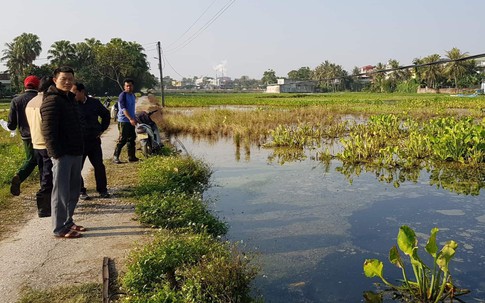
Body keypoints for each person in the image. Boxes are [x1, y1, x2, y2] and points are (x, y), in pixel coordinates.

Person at [40, 66, 85, 238]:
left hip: (75, 151)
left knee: (73, 190)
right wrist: (55, 154)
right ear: (55, 80)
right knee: (60, 192)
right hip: (62, 154)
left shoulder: (70, 99)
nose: (67, 82)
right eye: (63, 79)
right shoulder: (52, 100)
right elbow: (48, 131)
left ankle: (68, 221)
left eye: (70, 79)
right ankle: (58, 228)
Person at [71, 82, 111, 199]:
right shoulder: (71, 105)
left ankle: (102, 190)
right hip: (79, 142)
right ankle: (81, 191)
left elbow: (105, 114)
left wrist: (101, 129)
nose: (72, 95)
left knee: (99, 166)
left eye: (74, 93)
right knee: (78, 168)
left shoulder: (94, 103)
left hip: (93, 141)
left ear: (82, 92)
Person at [25, 76, 55, 217]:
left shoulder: (31, 102)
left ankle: (46, 206)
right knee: (48, 177)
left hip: (36, 143)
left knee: (44, 174)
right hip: (47, 144)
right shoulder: (46, 102)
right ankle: (44, 208)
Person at [7, 75, 40, 196]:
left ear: (24, 86)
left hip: (26, 136)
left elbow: (11, 125)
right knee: (40, 160)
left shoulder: (16, 101)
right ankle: (21, 176)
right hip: (41, 135)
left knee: (32, 159)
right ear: (38, 85)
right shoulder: (41, 98)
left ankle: (20, 177)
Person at [113, 78, 139, 164]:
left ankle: (131, 157)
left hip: (131, 121)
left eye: (130, 86)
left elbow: (132, 108)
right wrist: (130, 119)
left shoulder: (133, 95)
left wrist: (134, 118)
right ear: (124, 86)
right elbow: (124, 109)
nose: (129, 87)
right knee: (122, 139)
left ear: (133, 86)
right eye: (127, 86)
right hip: (123, 121)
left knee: (131, 139)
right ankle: (115, 157)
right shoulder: (122, 95)